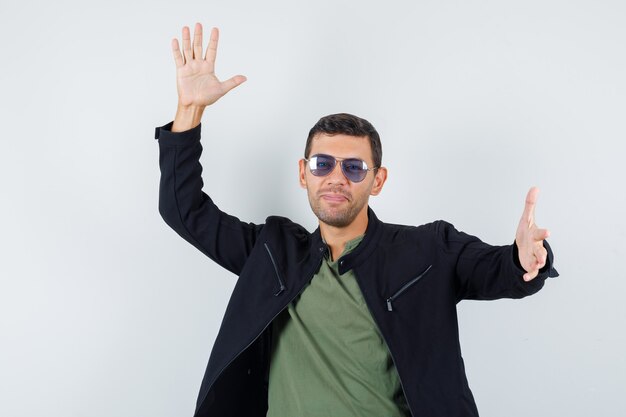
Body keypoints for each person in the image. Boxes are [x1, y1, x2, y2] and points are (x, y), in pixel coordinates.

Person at [155, 23, 558, 417]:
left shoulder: (428, 250)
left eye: (353, 167)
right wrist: (189, 109)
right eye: (322, 164)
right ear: (303, 173)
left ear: (377, 180)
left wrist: (524, 258)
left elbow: (497, 270)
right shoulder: (273, 253)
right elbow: (183, 210)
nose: (335, 178)